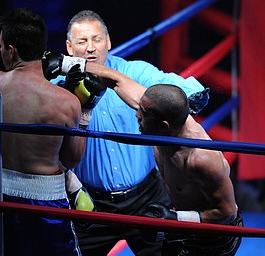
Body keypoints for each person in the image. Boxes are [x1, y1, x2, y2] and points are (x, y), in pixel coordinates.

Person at [48, 9, 210, 256]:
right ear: (69, 48)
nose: (91, 48)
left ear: (109, 42)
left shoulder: (132, 72)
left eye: (97, 39)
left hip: (146, 196)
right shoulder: (57, 88)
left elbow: (176, 85)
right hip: (91, 202)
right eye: (82, 42)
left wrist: (191, 96)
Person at [0, 8, 90, 256]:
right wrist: (85, 111)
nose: (0, 51)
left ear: (11, 50)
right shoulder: (66, 102)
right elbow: (71, 159)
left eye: (1, 46)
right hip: (46, 201)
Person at [115, 82, 243, 255]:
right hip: (185, 224)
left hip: (214, 236)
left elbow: (228, 213)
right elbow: (119, 82)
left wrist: (176, 218)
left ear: (164, 125)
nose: (137, 115)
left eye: (143, 113)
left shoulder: (201, 159)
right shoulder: (160, 120)